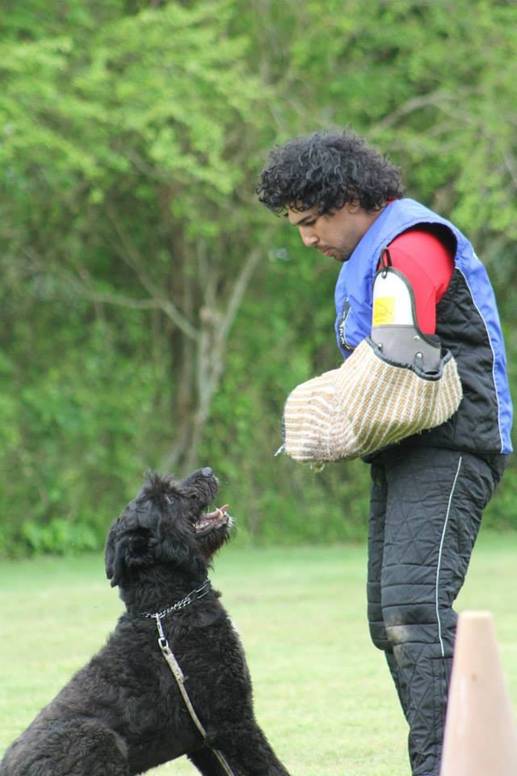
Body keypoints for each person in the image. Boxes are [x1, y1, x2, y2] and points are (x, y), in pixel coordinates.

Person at [256, 129, 513, 776]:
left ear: (349, 198)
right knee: (388, 619)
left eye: (311, 221)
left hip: (454, 444)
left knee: (412, 612)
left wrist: (326, 407)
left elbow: (402, 349)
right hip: (408, 450)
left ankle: (448, 767)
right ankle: (457, 757)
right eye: (295, 226)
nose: (306, 238)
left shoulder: (412, 242)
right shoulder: (366, 258)